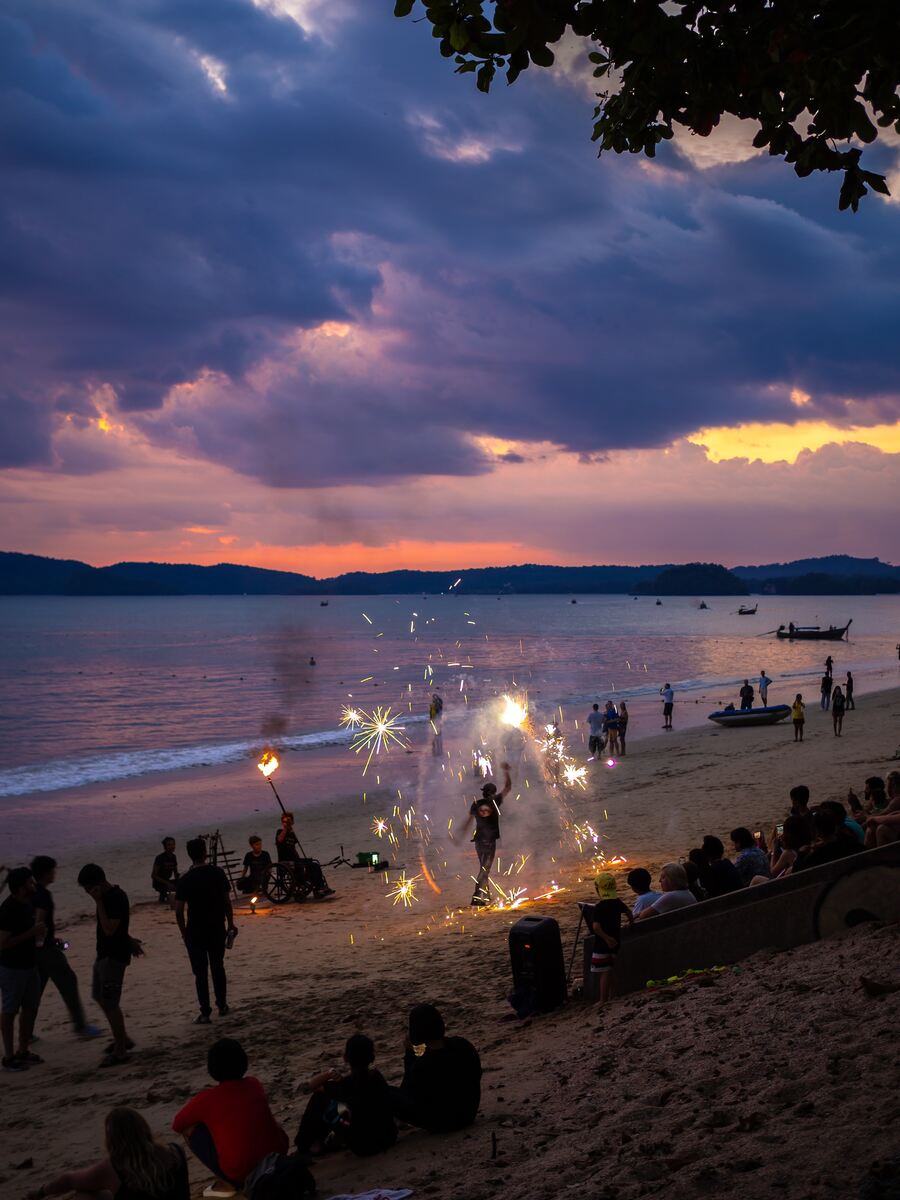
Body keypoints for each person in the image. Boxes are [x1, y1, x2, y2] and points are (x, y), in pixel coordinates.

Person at [173, 1038, 288, 1190]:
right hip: (278, 1156)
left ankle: (226, 1183)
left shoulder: (207, 1099)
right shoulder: (254, 1084)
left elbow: (178, 1124)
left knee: (192, 1131)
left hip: (240, 1173)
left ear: (212, 1068)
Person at [25, 1107, 189, 1200]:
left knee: (84, 1196)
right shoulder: (175, 1152)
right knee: (103, 1193)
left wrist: (40, 1192)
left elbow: (68, 1180)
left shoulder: (112, 1168)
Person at [30, 855, 100, 1041]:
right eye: (53, 870)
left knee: (35, 990)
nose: (55, 873)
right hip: (45, 950)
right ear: (46, 873)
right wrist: (46, 942)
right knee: (68, 982)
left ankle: (27, 1032)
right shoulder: (43, 895)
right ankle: (81, 1027)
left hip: (36, 949)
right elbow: (39, 920)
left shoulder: (32, 891)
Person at [295, 1033, 397, 1158]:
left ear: (345, 1058)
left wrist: (329, 1074)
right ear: (372, 1058)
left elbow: (312, 1086)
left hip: (363, 1145)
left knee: (320, 1099)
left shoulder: (344, 1085)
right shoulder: (376, 1077)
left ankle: (304, 1146)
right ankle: (318, 1142)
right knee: (344, 1106)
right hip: (388, 1136)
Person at [76, 863, 136, 1068]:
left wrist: (99, 902)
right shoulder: (109, 897)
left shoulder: (115, 897)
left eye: (87, 888)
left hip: (113, 957)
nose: (86, 892)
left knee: (110, 1002)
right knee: (99, 996)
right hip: (104, 955)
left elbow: (110, 929)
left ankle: (120, 1051)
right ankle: (123, 1038)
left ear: (98, 884)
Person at [388, 1004, 482, 1132]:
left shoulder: (423, 1064)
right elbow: (476, 1074)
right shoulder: (462, 1045)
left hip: (440, 1122)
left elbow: (409, 1092)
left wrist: (410, 1054)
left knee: (386, 1093)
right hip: (469, 1113)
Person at [175, 838, 236, 1024]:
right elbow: (227, 902)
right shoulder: (217, 873)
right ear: (205, 853)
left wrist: (184, 933)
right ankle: (222, 1005)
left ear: (189, 855)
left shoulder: (185, 879)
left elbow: (179, 910)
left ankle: (205, 1012)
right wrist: (231, 924)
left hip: (195, 930)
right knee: (218, 967)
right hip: (217, 926)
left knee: (200, 973)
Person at [0, 866, 44, 1072]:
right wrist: (31, 933)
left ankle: (23, 1051)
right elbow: (3, 943)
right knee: (10, 1011)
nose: (33, 885)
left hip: (30, 964)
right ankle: (8, 1057)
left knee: (30, 1009)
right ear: (20, 887)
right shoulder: (8, 909)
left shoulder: (27, 904)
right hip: (12, 968)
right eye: (29, 882)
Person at [456, 761, 512, 907]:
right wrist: (506, 771)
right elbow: (508, 787)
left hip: (479, 841)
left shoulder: (476, 804)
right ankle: (476, 896)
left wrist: (460, 835)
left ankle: (485, 895)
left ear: (483, 792)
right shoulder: (495, 801)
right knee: (485, 869)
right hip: (490, 842)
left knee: (483, 867)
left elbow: (468, 822)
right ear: (493, 792)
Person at [589, 872, 633, 1003]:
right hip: (617, 941)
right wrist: (631, 923)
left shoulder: (599, 907)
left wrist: (607, 938)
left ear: (598, 890)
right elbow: (629, 912)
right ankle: (613, 995)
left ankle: (603, 1000)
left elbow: (596, 927)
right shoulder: (617, 902)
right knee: (610, 969)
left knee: (605, 972)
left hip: (603, 944)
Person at [275, 813, 334, 898]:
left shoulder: (292, 834)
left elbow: (293, 848)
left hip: (295, 859)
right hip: (285, 861)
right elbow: (279, 840)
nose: (287, 823)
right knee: (299, 865)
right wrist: (285, 828)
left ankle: (320, 887)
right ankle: (305, 884)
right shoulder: (280, 832)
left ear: (292, 822)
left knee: (314, 864)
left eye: (288, 821)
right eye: (284, 821)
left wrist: (299, 858)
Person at [794, 809, 863, 872]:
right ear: (835, 827)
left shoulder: (817, 856)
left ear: (818, 832)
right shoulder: (851, 843)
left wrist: (800, 854)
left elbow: (796, 871)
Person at [634, 863, 699, 919]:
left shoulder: (671, 896)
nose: (659, 880)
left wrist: (639, 913)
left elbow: (643, 916)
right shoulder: (687, 892)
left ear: (671, 879)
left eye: (663, 877)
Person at [864, 770, 900, 848]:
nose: (888, 788)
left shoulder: (897, 800)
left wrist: (869, 817)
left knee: (880, 829)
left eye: (890, 784)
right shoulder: (892, 800)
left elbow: (887, 816)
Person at [151, 838, 179, 903]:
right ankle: (164, 899)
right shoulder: (160, 858)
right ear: (165, 847)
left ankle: (163, 899)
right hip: (158, 882)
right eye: (169, 845)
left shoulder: (174, 857)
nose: (172, 847)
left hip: (167, 881)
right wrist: (167, 883)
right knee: (166, 890)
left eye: (173, 844)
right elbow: (153, 875)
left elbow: (176, 874)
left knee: (182, 884)